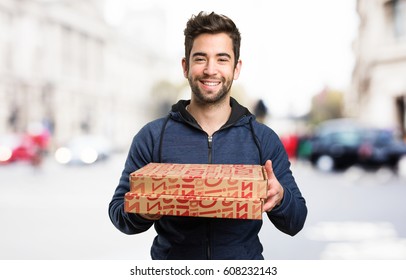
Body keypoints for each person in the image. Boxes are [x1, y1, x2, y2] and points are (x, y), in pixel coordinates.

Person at [109, 11, 307, 260]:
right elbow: (118, 212)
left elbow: (296, 220)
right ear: (186, 66)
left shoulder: (263, 139)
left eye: (222, 59)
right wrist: (142, 210)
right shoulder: (152, 136)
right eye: (200, 58)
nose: (210, 70)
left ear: (236, 68)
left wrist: (279, 199)